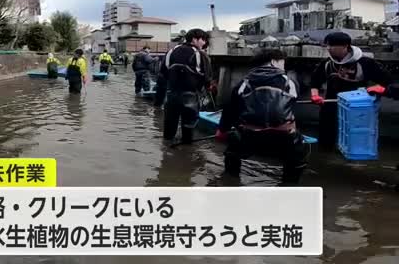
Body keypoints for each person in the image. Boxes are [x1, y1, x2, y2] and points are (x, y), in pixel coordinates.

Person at [215, 49, 309, 186]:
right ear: (273, 61)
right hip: (283, 136)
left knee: (232, 148)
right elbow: (291, 107)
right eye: (282, 62)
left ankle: (230, 180)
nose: (284, 66)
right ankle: (289, 185)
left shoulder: (243, 83)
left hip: (250, 135)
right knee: (300, 150)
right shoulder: (290, 82)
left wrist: (222, 130)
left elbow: (230, 110)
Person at [310, 32, 391, 150]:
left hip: (356, 105)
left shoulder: (365, 63)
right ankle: (326, 154)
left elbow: (386, 80)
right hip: (331, 102)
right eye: (327, 45)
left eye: (331, 45)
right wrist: (315, 95)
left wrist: (379, 88)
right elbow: (315, 80)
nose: (328, 48)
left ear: (345, 46)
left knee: (354, 133)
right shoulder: (327, 63)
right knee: (326, 133)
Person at [162, 29, 212, 145]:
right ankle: (187, 150)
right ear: (195, 39)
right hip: (190, 95)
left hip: (171, 93)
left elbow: (163, 72)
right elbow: (207, 77)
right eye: (203, 40)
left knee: (170, 123)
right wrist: (206, 89)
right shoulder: (200, 54)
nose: (204, 43)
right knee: (189, 125)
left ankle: (166, 149)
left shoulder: (171, 51)